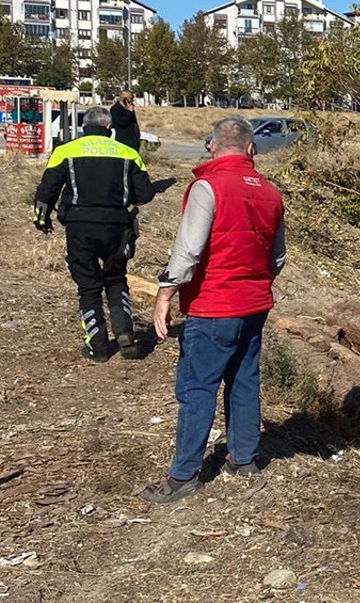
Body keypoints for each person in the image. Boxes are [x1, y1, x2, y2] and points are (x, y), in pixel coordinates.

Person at [142, 116, 286, 504]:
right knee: (243, 380)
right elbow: (278, 258)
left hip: (213, 304)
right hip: (254, 305)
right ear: (252, 149)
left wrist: (165, 294)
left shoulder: (207, 187)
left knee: (197, 387)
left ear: (211, 146)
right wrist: (255, 282)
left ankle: (184, 475)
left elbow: (188, 250)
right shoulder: (271, 194)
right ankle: (243, 458)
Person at [33, 106, 154, 361]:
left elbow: (47, 190)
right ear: (109, 128)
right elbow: (145, 194)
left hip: (80, 226)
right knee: (116, 278)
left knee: (88, 286)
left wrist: (41, 220)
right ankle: (125, 334)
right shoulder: (128, 152)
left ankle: (97, 347)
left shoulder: (65, 151)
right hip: (118, 226)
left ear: (83, 127)